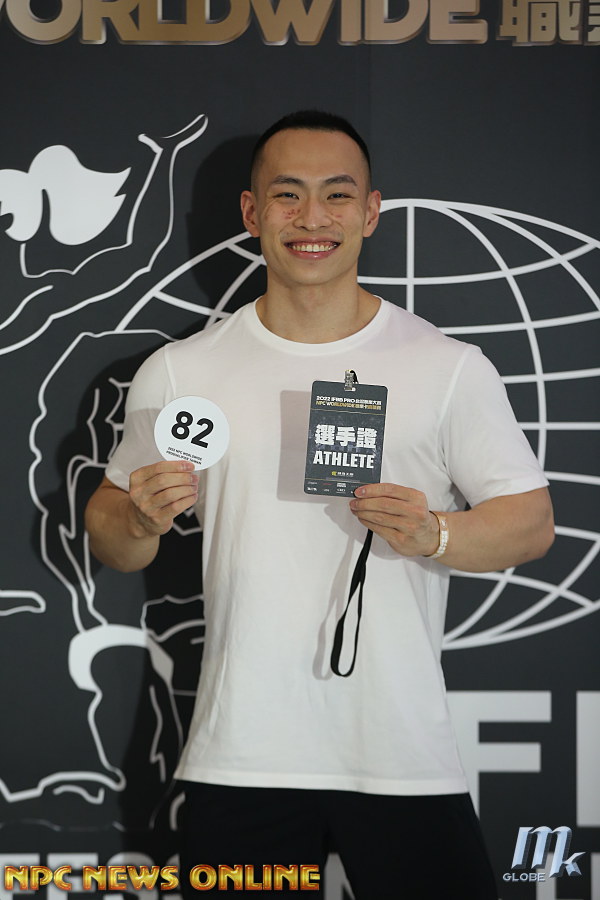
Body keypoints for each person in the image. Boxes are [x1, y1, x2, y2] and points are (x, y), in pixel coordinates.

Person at [85, 110, 554, 898]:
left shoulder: (447, 368)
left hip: (400, 754)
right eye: (287, 195)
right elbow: (111, 536)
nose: (312, 218)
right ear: (252, 212)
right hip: (242, 755)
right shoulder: (181, 372)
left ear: (370, 212)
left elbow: (531, 524)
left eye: (337, 195)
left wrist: (434, 533)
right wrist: (137, 517)